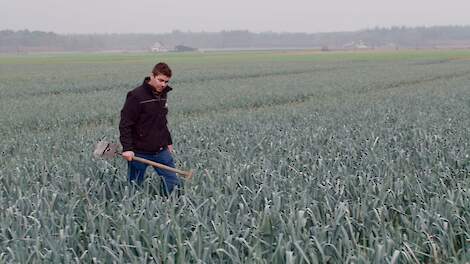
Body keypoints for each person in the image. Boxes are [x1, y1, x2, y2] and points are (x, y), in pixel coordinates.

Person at [119, 62, 181, 195]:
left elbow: (161, 121)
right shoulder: (136, 96)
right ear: (152, 76)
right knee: (134, 187)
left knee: (173, 184)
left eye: (166, 81)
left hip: (160, 150)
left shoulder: (163, 94)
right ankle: (133, 209)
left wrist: (168, 141)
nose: (163, 84)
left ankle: (172, 208)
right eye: (160, 80)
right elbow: (125, 124)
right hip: (139, 151)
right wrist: (127, 149)